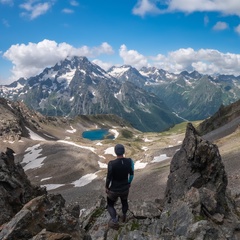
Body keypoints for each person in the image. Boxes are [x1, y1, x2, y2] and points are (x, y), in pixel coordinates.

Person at [105, 144, 134, 230]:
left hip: (114, 189)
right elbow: (132, 174)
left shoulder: (111, 164)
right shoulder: (129, 161)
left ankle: (114, 220)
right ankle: (124, 216)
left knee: (110, 205)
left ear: (115, 152)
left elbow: (109, 177)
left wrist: (107, 187)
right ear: (124, 151)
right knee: (124, 202)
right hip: (125, 188)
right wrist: (128, 183)